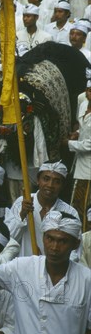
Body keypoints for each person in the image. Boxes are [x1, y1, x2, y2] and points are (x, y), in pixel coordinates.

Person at [5, 160, 80, 257]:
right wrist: (22, 215)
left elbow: (75, 252)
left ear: (63, 185)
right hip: (24, 267)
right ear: (38, 180)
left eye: (57, 181)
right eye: (46, 179)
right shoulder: (22, 203)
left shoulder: (70, 212)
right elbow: (6, 239)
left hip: (54, 270)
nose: (50, 185)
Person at [68, 80, 91, 230]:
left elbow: (89, 144)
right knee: (76, 204)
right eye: (89, 90)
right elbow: (81, 127)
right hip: (79, 162)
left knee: (85, 205)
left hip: (89, 168)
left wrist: (68, 144)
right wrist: (76, 134)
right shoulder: (83, 105)